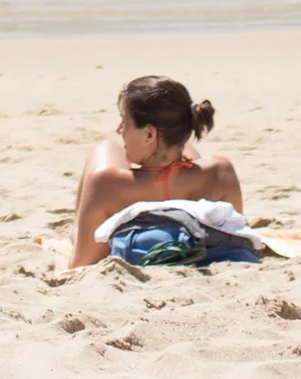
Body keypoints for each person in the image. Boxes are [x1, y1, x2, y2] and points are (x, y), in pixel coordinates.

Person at [69, 74, 243, 266]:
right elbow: (237, 233)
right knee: (180, 148)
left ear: (149, 133)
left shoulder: (106, 183)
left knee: (105, 147)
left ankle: (76, 227)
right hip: (190, 199)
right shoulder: (220, 171)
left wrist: (75, 233)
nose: (120, 130)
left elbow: (82, 264)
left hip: (132, 218)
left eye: (125, 122)